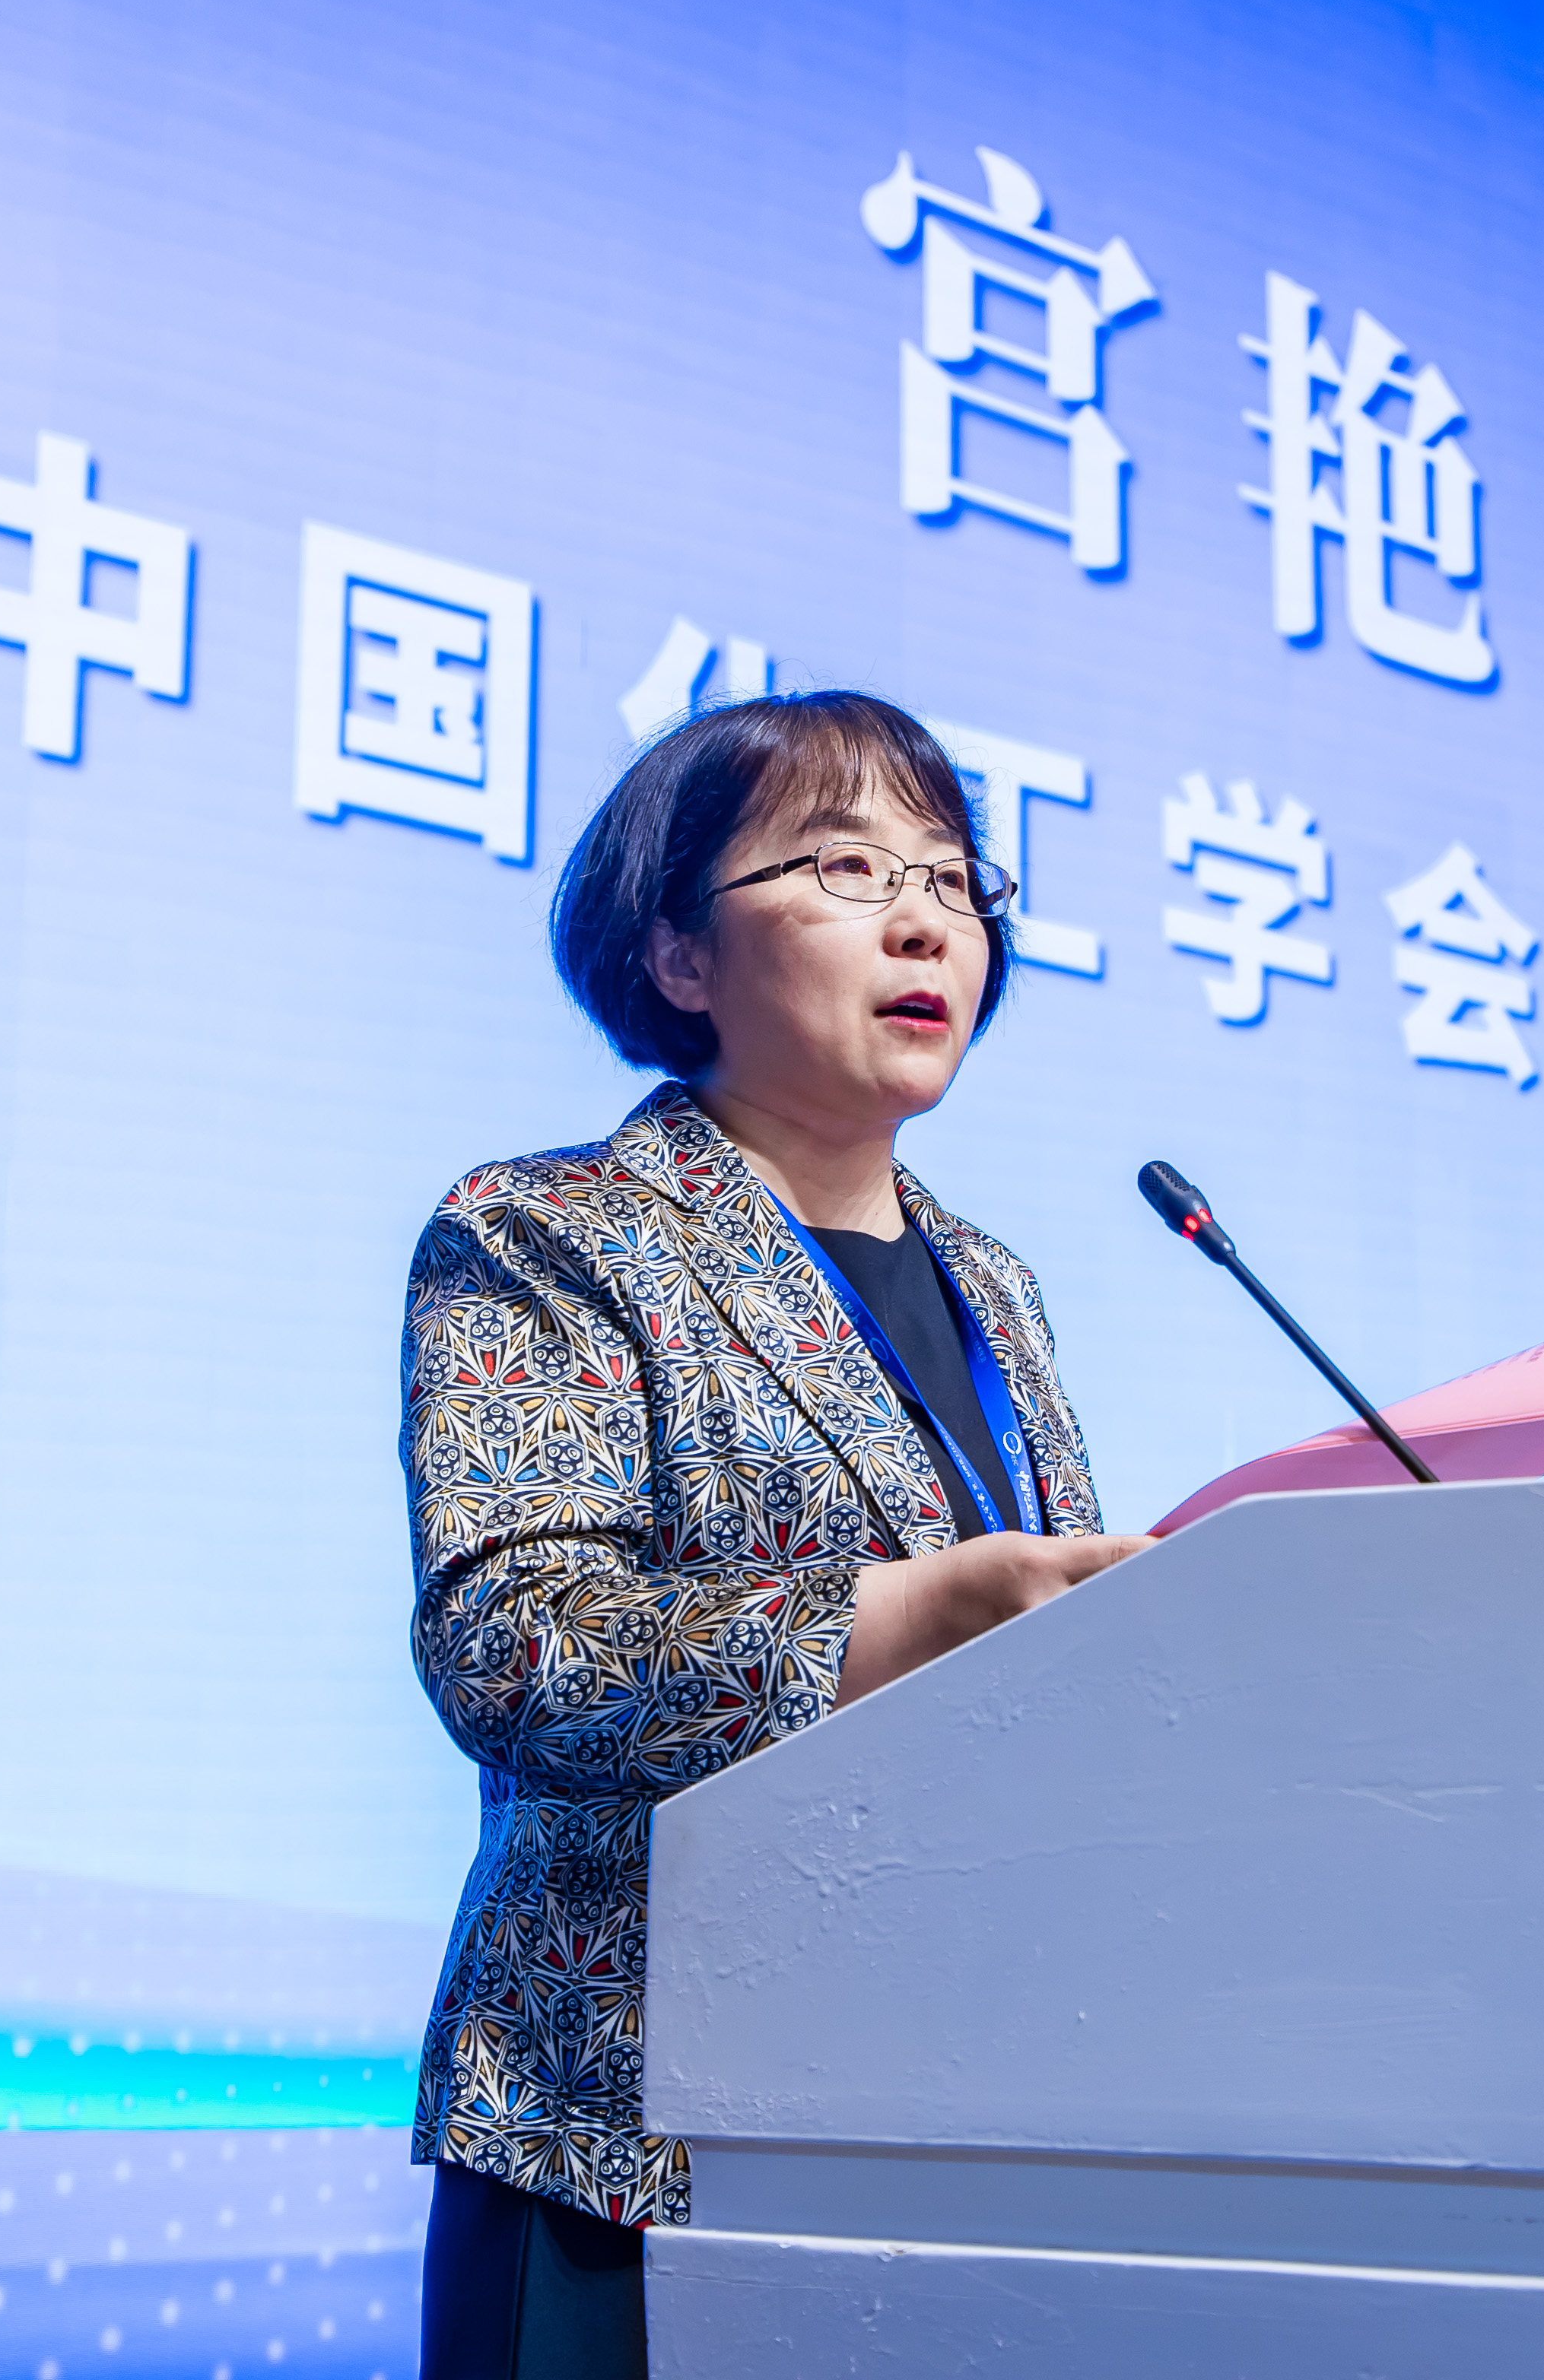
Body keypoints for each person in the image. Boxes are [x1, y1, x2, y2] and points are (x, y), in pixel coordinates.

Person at [402, 690, 1152, 2380]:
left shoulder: (997, 1286)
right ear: (679, 954)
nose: (923, 921)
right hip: (629, 2136)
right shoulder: (549, 1230)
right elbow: (516, 1647)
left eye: (952, 881)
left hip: (954, 2114)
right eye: (846, 869)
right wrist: (915, 1619)